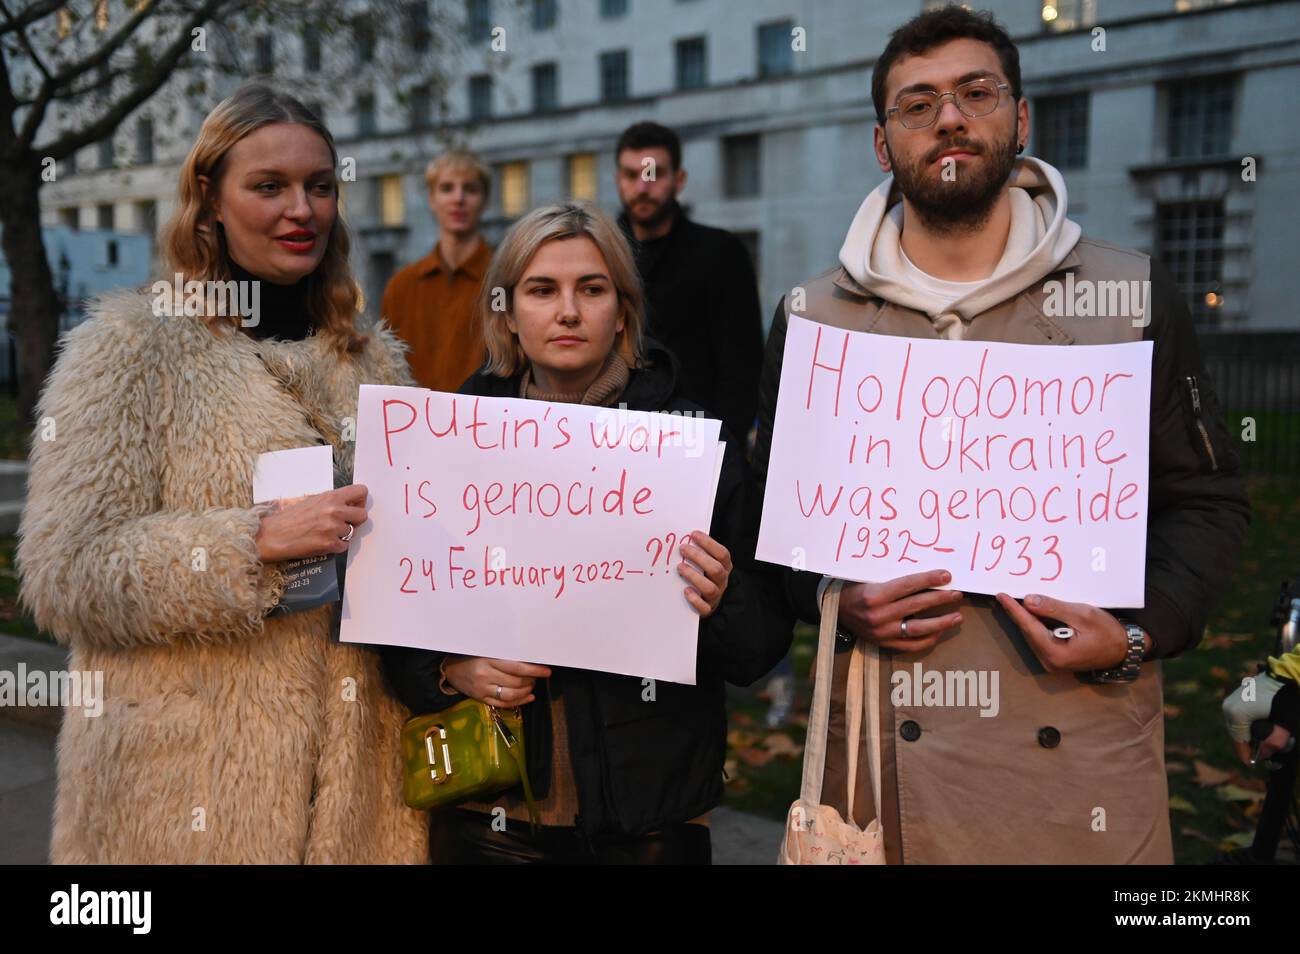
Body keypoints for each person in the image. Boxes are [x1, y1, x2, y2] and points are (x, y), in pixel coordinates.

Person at [751, 7, 1251, 864]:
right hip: (883, 751)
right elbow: (771, 520)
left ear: (1021, 119)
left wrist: (1136, 633)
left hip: (1078, 743)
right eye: (917, 104)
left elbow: (1205, 500)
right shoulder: (813, 318)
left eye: (975, 92)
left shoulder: (1129, 296)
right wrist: (835, 598)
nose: (949, 117)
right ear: (883, 144)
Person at [17, 84, 428, 864]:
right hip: (189, 788)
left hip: (357, 792)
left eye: (319, 186)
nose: (300, 209)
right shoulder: (133, 347)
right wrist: (254, 541)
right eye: (268, 186)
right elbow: (62, 572)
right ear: (209, 198)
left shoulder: (374, 360)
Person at [380, 202, 790, 864]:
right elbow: (393, 620)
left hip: (651, 824)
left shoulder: (691, 445)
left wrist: (724, 598)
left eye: (591, 289)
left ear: (623, 309)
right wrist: (451, 672)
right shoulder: (450, 436)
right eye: (542, 290)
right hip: (493, 818)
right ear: (507, 311)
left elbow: (760, 647)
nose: (567, 311)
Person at [614, 122, 764, 446]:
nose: (642, 187)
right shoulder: (598, 257)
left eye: (654, 174)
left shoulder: (721, 253)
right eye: (631, 175)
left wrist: (720, 452)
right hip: (612, 443)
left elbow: (743, 370)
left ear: (678, 180)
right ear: (617, 180)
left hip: (697, 444)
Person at [382, 149, 493, 391]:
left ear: (485, 199)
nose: (458, 198)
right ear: (432, 199)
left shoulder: (506, 281)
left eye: (470, 189)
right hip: (414, 422)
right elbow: (385, 367)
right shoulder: (402, 286)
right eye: (446, 188)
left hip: (487, 424)